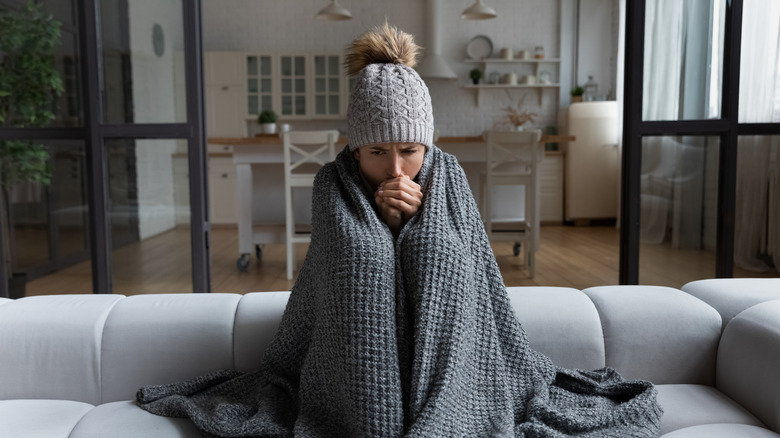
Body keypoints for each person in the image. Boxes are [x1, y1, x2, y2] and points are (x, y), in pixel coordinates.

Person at [137, 23, 662, 437]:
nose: (395, 169)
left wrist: (415, 224)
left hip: (456, 354)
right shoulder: (331, 184)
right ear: (354, 148)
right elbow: (343, 268)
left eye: (409, 151)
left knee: (436, 249)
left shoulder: (448, 174)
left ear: (426, 147)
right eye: (376, 152)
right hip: (346, 370)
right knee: (365, 256)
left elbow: (469, 268)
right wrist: (383, 222)